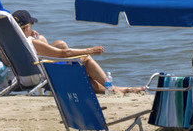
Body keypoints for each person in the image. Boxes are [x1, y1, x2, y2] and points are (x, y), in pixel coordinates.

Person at [13, 9, 141, 94]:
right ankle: (113, 88)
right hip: (44, 76)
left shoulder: (13, 40)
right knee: (85, 59)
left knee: (60, 44)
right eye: (31, 26)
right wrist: (90, 50)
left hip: (27, 75)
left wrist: (36, 37)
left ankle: (116, 89)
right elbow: (63, 54)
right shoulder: (31, 42)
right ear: (27, 27)